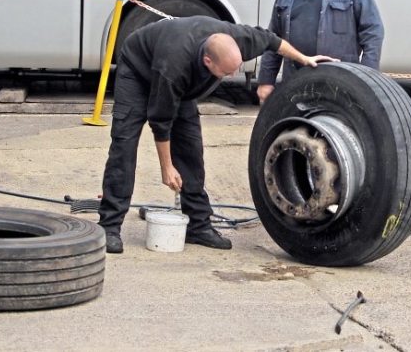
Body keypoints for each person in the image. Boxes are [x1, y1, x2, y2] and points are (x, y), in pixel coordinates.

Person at [98, 15, 335, 254]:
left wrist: (303, 58)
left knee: (191, 148)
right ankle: (109, 225)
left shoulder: (238, 37)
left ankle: (198, 226)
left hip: (180, 79)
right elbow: (161, 121)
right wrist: (167, 167)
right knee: (124, 144)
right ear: (207, 60)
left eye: (235, 70)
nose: (231, 77)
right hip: (138, 71)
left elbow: (273, 42)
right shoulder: (174, 65)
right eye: (225, 73)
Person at [256, 0, 384, 104]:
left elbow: (373, 32)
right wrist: (266, 81)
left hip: (342, 83)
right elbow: (273, 41)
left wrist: (367, 77)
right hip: (296, 84)